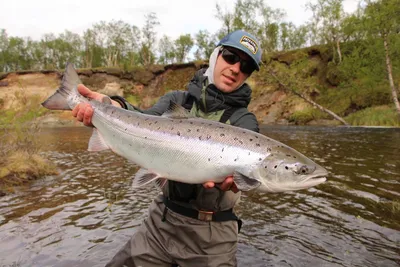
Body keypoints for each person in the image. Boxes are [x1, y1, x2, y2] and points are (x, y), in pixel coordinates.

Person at [72, 30, 262, 267]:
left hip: (213, 240)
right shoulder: (177, 100)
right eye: (231, 57)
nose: (235, 68)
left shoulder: (245, 122)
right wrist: (113, 105)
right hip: (160, 223)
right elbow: (140, 119)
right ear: (216, 55)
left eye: (245, 67)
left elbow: (248, 174)